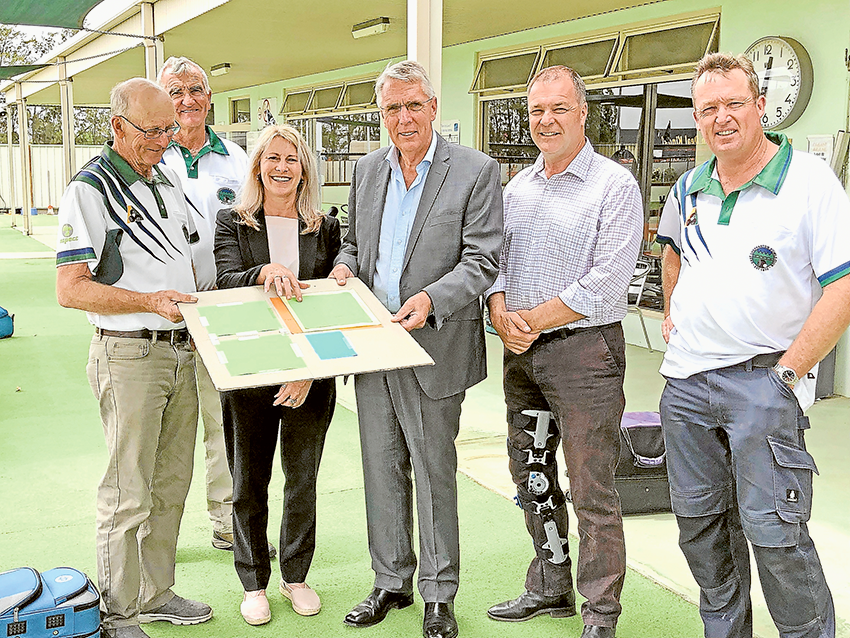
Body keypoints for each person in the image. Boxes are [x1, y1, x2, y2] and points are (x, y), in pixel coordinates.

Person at [657, 52, 850, 638]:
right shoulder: (689, 187)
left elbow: (842, 286)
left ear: (759, 106)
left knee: (776, 537)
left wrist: (787, 376)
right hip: (686, 389)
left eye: (734, 103)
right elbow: (671, 251)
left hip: (762, 385)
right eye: (707, 108)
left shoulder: (810, 180)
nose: (721, 118)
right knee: (701, 528)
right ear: (696, 118)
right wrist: (675, 314)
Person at [329, 60, 503, 638]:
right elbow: (355, 243)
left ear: (432, 107)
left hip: (433, 345)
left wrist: (430, 299)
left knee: (433, 471)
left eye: (413, 106)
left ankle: (438, 594)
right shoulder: (368, 169)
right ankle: (390, 581)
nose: (403, 118)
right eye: (392, 109)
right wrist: (344, 268)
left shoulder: (476, 171)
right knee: (381, 468)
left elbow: (482, 260)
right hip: (373, 345)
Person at [485, 65, 643, 638]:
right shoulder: (518, 187)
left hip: (584, 356)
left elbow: (605, 283)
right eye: (536, 111)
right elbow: (495, 261)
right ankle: (550, 588)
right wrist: (500, 311)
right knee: (530, 472)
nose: (545, 121)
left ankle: (601, 614)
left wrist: (529, 320)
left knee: (590, 486)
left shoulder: (615, 186)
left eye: (558, 109)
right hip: (522, 355)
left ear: (583, 114)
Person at [55, 77, 213, 638]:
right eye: (153, 130)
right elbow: (70, 288)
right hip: (129, 357)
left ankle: (155, 593)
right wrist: (148, 301)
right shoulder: (89, 188)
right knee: (127, 493)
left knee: (171, 484)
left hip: (182, 353)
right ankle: (118, 614)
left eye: (171, 128)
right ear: (118, 126)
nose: (166, 140)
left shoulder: (166, 181)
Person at [214, 124, 340, 626]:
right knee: (249, 479)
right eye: (273, 158)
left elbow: (334, 295)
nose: (282, 167)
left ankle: (295, 576)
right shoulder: (233, 222)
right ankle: (252, 581)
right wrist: (263, 272)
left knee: (301, 479)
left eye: (292, 159)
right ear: (257, 166)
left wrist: (308, 370)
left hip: (311, 374)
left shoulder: (323, 227)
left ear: (304, 168)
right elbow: (224, 281)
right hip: (250, 369)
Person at [157, 56, 277, 559]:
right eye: (175, 92)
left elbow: (260, 222)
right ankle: (155, 536)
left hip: (223, 308)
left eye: (195, 90)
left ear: (209, 97)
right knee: (164, 434)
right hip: (160, 314)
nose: (186, 101)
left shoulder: (236, 157)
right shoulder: (147, 156)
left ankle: (228, 520)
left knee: (224, 424)